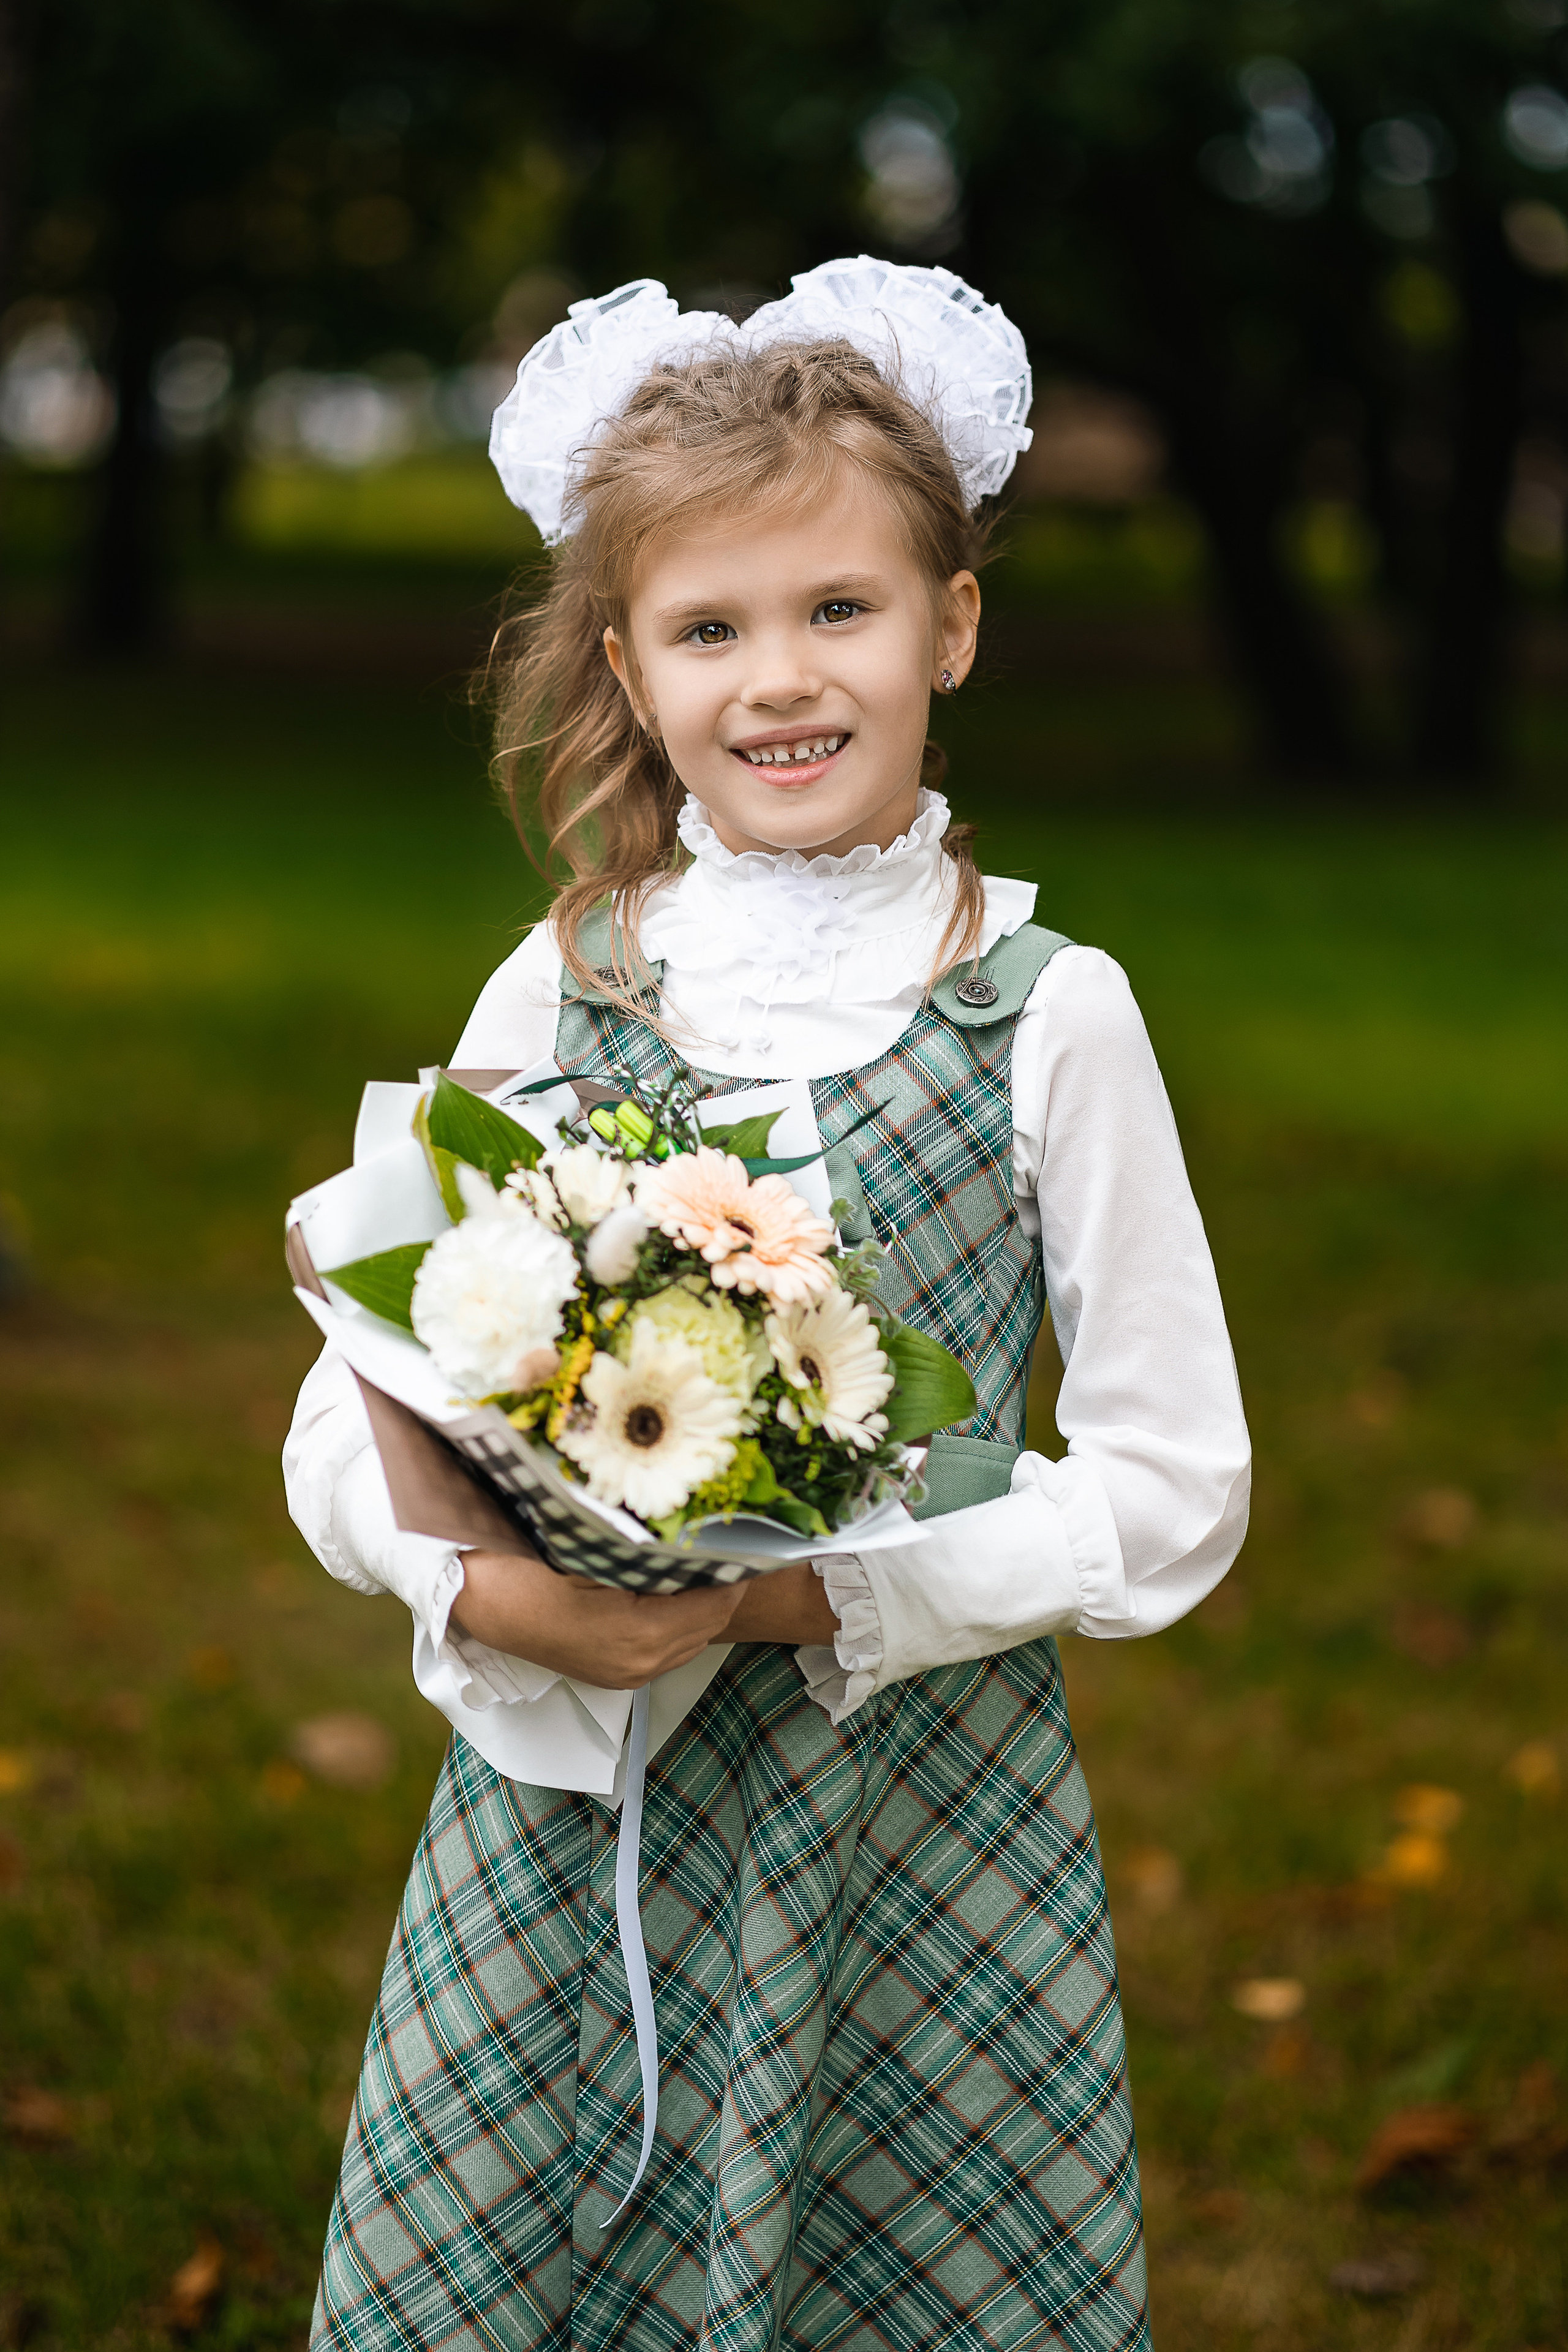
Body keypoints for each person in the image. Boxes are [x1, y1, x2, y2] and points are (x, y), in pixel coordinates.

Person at [284, 256, 1250, 2352]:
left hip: (915, 1795)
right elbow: (363, 1378)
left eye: (841, 609)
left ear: (954, 625)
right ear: (629, 667)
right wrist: (478, 1595)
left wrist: (807, 1599)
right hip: (579, 1805)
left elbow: (1175, 1489)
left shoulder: (1047, 1015)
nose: (780, 678)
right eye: (710, 628)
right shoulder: (575, 981)